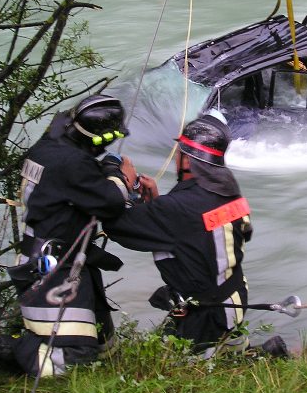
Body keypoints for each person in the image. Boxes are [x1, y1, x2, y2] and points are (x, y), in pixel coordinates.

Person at [0, 94, 139, 378]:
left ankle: (101, 367)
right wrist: (120, 177)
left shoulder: (48, 145)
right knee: (76, 357)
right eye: (106, 139)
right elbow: (110, 201)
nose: (107, 145)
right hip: (56, 268)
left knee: (103, 344)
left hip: (55, 255)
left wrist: (104, 169)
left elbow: (77, 184)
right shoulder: (70, 163)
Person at [104, 110, 287, 358]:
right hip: (233, 296)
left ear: (188, 161)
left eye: (179, 153)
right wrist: (155, 203)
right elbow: (196, 232)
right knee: (225, 355)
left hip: (205, 313)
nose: (176, 157)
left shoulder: (175, 209)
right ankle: (247, 353)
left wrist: (120, 180)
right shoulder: (228, 191)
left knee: (167, 375)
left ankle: (259, 358)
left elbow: (117, 227)